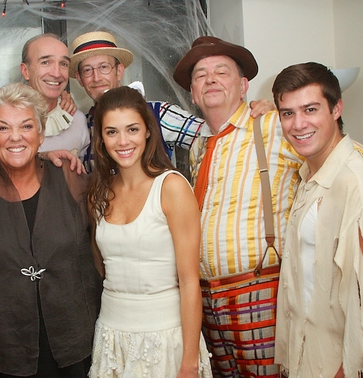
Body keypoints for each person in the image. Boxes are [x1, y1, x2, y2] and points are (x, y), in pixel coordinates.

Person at [173, 36, 303, 377]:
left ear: (243, 86)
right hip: (209, 301)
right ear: (192, 93)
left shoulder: (273, 126)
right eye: (200, 75)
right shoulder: (199, 147)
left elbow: (340, 157)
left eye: (221, 71)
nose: (210, 78)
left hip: (260, 290)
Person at [0, 82, 102, 377]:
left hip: (75, 343)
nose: (15, 137)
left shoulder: (70, 178)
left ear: (41, 133)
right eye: (3, 128)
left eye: (26, 126)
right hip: (7, 349)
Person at [87, 86, 212, 378]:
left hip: (165, 337)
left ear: (147, 131)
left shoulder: (172, 187)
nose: (123, 141)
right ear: (101, 139)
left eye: (132, 129)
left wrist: (190, 363)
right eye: (112, 132)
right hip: (111, 336)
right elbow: (102, 266)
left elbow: (190, 282)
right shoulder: (99, 192)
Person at [272, 62, 363, 378]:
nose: (298, 124)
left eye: (310, 109)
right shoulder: (308, 176)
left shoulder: (354, 181)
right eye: (287, 113)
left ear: (336, 108)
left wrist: (348, 369)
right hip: (305, 356)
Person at [69, 30, 273, 171]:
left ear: (119, 70)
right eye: (88, 70)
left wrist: (255, 115)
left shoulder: (158, 113)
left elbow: (216, 134)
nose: (96, 78)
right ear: (79, 79)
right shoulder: (80, 126)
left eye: (104, 67)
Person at [20, 33, 90, 159]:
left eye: (63, 64)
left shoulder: (78, 121)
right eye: (46, 62)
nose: (57, 73)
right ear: (25, 71)